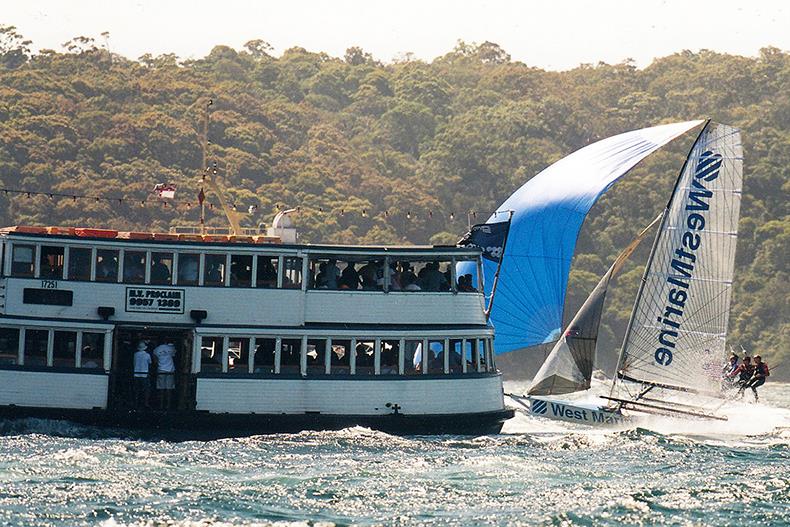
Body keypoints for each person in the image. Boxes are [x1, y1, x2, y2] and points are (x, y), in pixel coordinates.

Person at [153, 340, 177, 410]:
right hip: (170, 369)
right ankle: (168, 405)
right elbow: (174, 355)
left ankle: (161, 405)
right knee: (169, 389)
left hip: (161, 369)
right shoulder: (171, 348)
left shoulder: (156, 349)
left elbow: (155, 360)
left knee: (161, 388)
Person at [133, 341, 152, 409]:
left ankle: (136, 402)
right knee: (146, 389)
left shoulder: (135, 354)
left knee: (137, 389)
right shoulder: (147, 355)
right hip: (144, 374)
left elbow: (134, 363)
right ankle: (146, 403)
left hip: (136, 373)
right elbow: (150, 363)